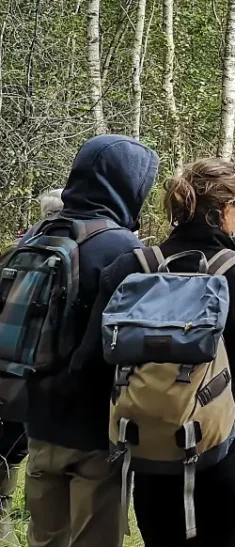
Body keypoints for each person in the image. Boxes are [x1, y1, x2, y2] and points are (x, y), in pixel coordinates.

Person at [71, 158, 235, 546]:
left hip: (154, 453)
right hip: (231, 456)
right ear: (223, 213)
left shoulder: (129, 271)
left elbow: (88, 366)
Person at [20, 136, 159, 547]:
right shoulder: (121, 246)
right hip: (94, 433)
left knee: (45, 540)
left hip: (38, 421)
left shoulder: (39, 232)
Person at [0, 188, 64, 546]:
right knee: (22, 447)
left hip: (8, 371)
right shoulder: (70, 252)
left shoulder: (14, 253)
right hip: (41, 373)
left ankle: (5, 511)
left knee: (11, 446)